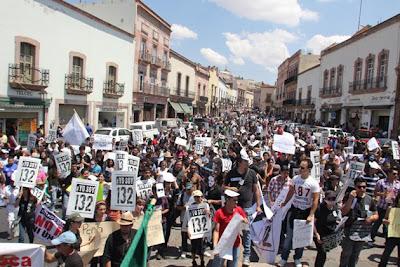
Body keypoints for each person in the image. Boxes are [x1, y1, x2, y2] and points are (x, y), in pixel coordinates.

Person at [280, 158, 320, 267]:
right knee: (289, 237)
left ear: (309, 169)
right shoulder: (295, 179)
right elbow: (291, 191)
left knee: (301, 238)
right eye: (300, 167)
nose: (300, 169)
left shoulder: (313, 183)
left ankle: (297, 258)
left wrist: (311, 214)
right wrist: (285, 202)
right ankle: (283, 258)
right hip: (294, 210)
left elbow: (316, 200)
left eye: (302, 168)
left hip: (305, 212)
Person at [224, 149, 261, 265]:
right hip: (233, 208)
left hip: (247, 208)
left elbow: (256, 190)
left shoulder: (251, 174)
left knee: (247, 232)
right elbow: (223, 187)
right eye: (245, 161)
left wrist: (258, 205)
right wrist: (230, 188)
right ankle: (230, 255)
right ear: (240, 162)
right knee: (231, 231)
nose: (247, 163)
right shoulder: (231, 173)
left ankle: (246, 256)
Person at [339, 177, 378, 267]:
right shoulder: (350, 196)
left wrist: (371, 218)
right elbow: (344, 212)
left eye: (364, 187)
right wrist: (350, 199)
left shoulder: (369, 199)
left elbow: (376, 214)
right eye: (359, 187)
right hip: (349, 228)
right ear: (355, 187)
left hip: (362, 231)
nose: (362, 189)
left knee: (356, 254)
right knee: (346, 253)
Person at [212, 189, 247, 267]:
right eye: (234, 200)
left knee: (233, 265)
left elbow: (246, 222)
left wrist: (244, 221)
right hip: (223, 244)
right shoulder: (219, 212)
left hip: (235, 244)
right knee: (217, 264)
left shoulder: (239, 210)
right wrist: (215, 245)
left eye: (237, 200)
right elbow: (216, 231)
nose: (236, 202)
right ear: (227, 200)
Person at [371, 166, 400, 242]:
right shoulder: (381, 182)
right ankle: (371, 238)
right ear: (389, 173)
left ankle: (387, 242)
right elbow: (375, 192)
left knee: (388, 225)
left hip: (392, 208)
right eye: (394, 174)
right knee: (377, 223)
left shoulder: (398, 184)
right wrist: (383, 194)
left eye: (397, 174)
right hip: (381, 206)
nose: (396, 175)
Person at [313, 190, 342, 267]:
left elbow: (334, 218)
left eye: (333, 199)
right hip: (319, 233)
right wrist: (317, 234)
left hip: (329, 234)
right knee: (322, 253)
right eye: (329, 199)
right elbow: (313, 222)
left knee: (324, 253)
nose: (331, 201)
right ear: (325, 199)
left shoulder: (335, 207)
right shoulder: (319, 208)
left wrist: (339, 223)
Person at [186, 190, 210, 267]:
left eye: (198, 197)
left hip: (202, 231)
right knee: (193, 247)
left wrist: (208, 212)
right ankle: (193, 261)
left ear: (201, 197)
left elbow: (210, 216)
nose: (197, 198)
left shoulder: (205, 205)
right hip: (194, 231)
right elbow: (188, 220)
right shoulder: (191, 207)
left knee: (201, 247)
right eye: (195, 197)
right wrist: (188, 230)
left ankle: (202, 261)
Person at [379, 192, 400, 267]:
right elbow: (384, 219)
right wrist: (385, 221)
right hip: (392, 235)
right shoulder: (391, 208)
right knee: (386, 255)